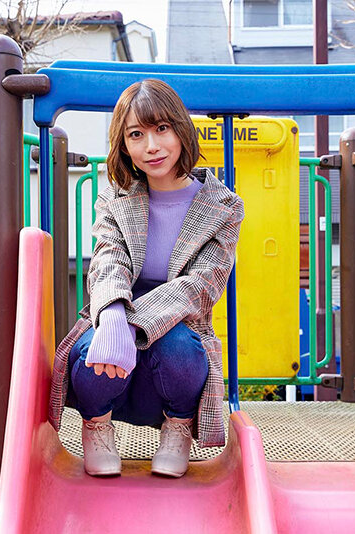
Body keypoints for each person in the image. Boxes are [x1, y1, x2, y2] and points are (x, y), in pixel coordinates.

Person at [48, 79, 245, 478]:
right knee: (92, 352)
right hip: (115, 314)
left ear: (181, 130)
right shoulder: (116, 197)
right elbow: (108, 259)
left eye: (162, 129)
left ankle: (177, 426)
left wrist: (132, 324)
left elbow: (201, 285)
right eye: (136, 135)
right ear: (123, 145)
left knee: (180, 349)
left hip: (177, 328)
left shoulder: (223, 207)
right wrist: (113, 317)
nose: (151, 146)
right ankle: (97, 425)